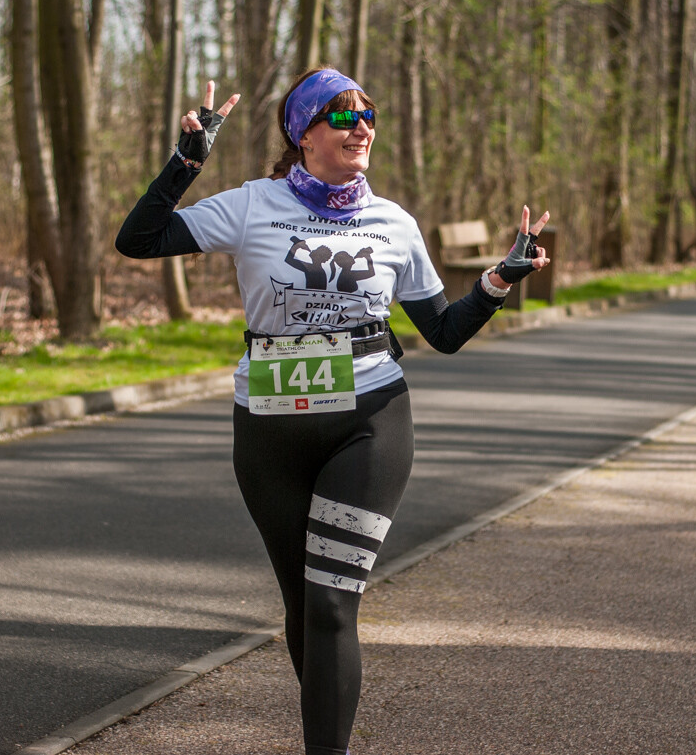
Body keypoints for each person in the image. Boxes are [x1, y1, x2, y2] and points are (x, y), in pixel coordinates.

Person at [116, 66, 550, 755]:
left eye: (369, 115)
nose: (364, 128)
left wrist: (498, 280)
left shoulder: (393, 223)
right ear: (305, 133)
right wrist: (184, 164)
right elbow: (138, 240)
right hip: (268, 429)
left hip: (369, 420)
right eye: (346, 118)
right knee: (304, 607)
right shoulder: (252, 204)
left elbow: (441, 331)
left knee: (330, 601)